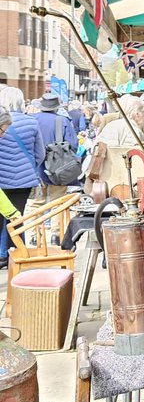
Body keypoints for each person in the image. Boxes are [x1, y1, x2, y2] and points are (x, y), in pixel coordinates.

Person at [0, 86, 45, 267]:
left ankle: (2, 254)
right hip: (23, 181)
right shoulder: (31, 122)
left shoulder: (5, 122)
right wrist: (29, 167)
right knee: (17, 219)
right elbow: (40, 153)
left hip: (1, 180)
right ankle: (17, 257)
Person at [34, 91, 78, 199]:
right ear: (57, 107)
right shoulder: (63, 120)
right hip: (58, 167)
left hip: (35, 168)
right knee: (57, 202)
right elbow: (73, 146)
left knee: (35, 203)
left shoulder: (30, 119)